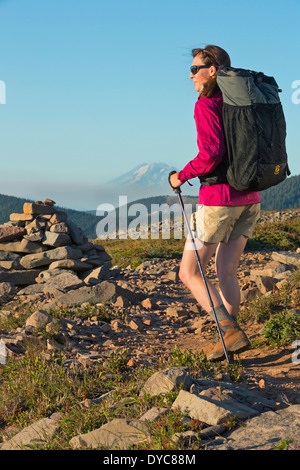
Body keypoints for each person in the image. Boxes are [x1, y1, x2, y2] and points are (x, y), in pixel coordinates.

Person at [169, 45, 261, 360]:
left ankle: (227, 328)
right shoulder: (243, 103)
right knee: (227, 269)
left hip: (220, 198)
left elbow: (210, 155)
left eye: (195, 69)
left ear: (213, 70)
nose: (190, 74)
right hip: (250, 197)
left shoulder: (207, 104)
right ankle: (231, 343)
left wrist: (181, 176)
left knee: (189, 271)